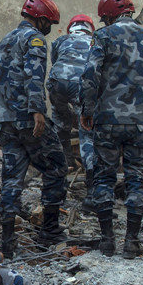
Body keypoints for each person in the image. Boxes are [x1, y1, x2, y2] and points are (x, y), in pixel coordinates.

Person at [80, 0, 143, 259]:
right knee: (137, 179)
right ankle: (131, 241)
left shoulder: (104, 37)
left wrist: (87, 108)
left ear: (107, 16)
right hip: (140, 122)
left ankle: (107, 240)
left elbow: (90, 73)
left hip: (107, 120)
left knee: (104, 177)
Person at [0, 0, 69, 258]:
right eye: (50, 23)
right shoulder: (35, 39)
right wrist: (37, 110)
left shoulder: (5, 39)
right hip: (27, 118)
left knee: (11, 178)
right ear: (42, 19)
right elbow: (35, 74)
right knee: (56, 166)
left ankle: (8, 242)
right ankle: (49, 231)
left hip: (5, 120)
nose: (49, 28)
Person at [47, 14, 96, 210]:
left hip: (56, 82)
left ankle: (63, 168)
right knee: (87, 134)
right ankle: (92, 191)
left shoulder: (60, 40)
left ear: (71, 29)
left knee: (60, 121)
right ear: (89, 28)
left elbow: (56, 62)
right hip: (80, 84)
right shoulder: (95, 41)